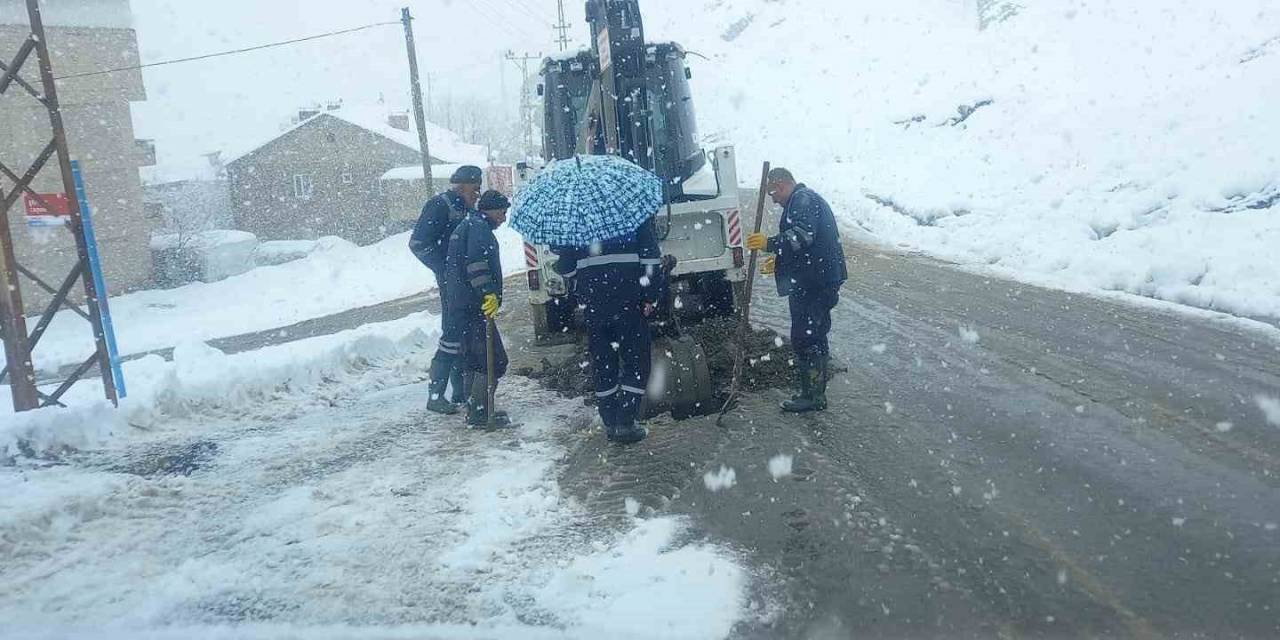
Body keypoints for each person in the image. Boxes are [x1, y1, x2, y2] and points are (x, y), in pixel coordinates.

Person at [553, 219, 664, 444]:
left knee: (604, 363)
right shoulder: (634, 218)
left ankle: (611, 421)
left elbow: (565, 267)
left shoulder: (576, 223)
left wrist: (585, 280)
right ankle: (626, 420)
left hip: (596, 308)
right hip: (629, 303)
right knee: (637, 361)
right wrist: (650, 296)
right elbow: (652, 260)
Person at [746, 168, 848, 413]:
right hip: (816, 280)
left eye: (772, 193)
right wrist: (782, 261)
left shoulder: (803, 200)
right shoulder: (802, 200)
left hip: (816, 284)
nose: (772, 199)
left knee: (806, 337)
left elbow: (802, 236)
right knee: (813, 335)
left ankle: (812, 397)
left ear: (781, 185)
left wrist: (770, 244)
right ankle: (813, 392)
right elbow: (803, 246)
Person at [412, 166, 482, 414]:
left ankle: (460, 393)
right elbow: (418, 243)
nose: (477, 193)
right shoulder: (440, 206)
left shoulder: (466, 209)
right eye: (475, 188)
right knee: (452, 333)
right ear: (461, 186)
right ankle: (435, 395)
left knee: (463, 335)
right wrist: (445, 269)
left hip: (465, 283)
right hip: (452, 284)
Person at [444, 190, 513, 428]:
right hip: (473, 307)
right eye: (502, 212)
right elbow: (476, 265)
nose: (503, 218)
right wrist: (488, 294)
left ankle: (475, 409)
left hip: (462, 306)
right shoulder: (478, 229)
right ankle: (480, 412)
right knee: (492, 360)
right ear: (490, 210)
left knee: (473, 359)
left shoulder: (470, 225)